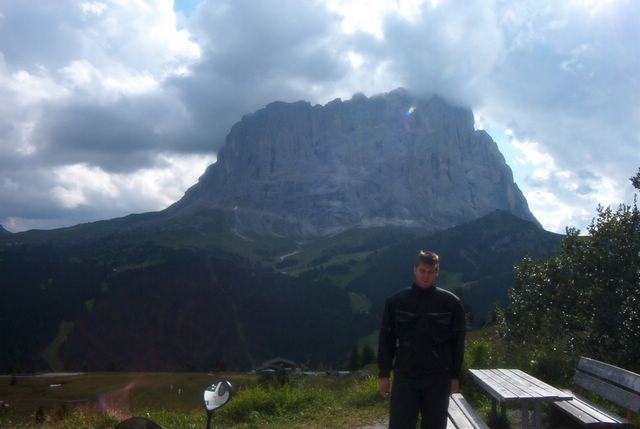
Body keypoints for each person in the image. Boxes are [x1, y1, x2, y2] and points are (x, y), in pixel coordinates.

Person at [377, 250, 466, 429]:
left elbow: (457, 343)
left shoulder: (451, 303)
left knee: (435, 425)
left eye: (430, 272)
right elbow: (386, 340)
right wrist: (384, 374)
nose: (426, 276)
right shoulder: (395, 302)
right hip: (405, 375)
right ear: (415, 270)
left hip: (438, 377)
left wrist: (455, 376)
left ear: (436, 273)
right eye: (422, 271)